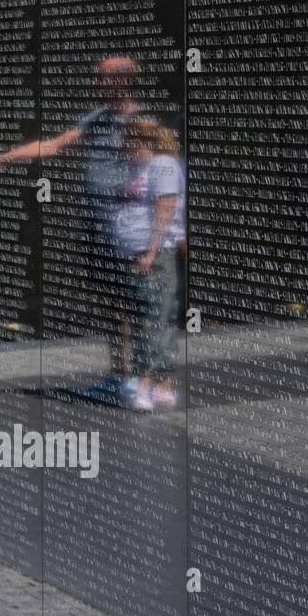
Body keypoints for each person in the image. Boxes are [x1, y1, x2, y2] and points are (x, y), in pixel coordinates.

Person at [0, 56, 140, 382]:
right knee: (110, 304)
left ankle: (146, 380)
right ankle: (119, 375)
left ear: (122, 82)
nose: (95, 85)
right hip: (97, 228)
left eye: (101, 79)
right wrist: (1, 160)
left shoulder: (141, 123)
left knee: (138, 302)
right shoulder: (98, 118)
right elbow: (54, 145)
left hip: (129, 230)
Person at [112, 118, 185, 411]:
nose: (123, 149)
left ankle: (144, 384)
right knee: (157, 316)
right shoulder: (142, 169)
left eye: (127, 143)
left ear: (138, 141)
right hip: (139, 251)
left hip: (154, 254)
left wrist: (151, 252)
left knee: (151, 318)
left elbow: (165, 209)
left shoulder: (163, 164)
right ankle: (163, 383)